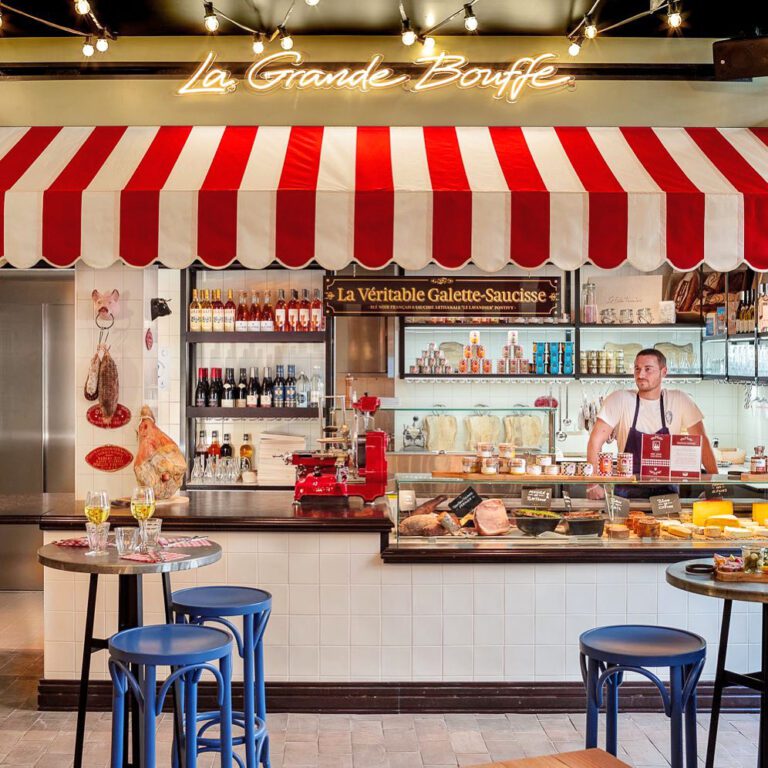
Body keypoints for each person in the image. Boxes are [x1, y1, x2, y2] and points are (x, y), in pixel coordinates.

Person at [586, 348, 718, 499]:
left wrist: (715, 487)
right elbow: (595, 441)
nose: (641, 375)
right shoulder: (619, 399)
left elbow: (703, 444)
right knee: (623, 524)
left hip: (667, 496)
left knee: (669, 524)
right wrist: (593, 484)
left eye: (648, 369)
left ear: (663, 372)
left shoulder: (680, 400)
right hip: (626, 495)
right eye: (637, 369)